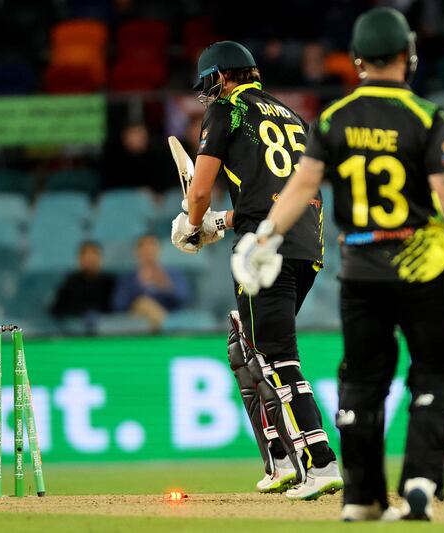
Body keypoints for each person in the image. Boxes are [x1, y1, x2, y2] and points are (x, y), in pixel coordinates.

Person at [230, 7, 444, 522]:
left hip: (360, 269)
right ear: (408, 56)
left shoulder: (335, 118)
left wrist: (264, 239)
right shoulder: (427, 116)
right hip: (422, 265)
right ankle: (421, 482)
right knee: (436, 372)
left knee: (361, 382)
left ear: (357, 60)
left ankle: (361, 496)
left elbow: (302, 187)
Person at [170, 40, 343, 500]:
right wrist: (217, 224)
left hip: (262, 251)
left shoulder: (227, 111)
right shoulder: (291, 116)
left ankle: (321, 464)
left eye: (209, 84)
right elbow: (268, 194)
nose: (207, 94)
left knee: (275, 357)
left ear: (221, 77)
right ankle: (282, 459)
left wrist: (192, 225)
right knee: (247, 347)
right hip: (306, 243)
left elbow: (201, 190)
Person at [112, 234, 191, 330]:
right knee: (143, 303)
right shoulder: (128, 278)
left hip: (168, 313)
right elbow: (119, 305)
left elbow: (183, 299)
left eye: (152, 247)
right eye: (144, 248)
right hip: (137, 316)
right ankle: (169, 331)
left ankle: (161, 326)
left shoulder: (173, 274)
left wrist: (165, 285)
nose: (148, 251)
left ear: (159, 250)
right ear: (137, 252)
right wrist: (139, 284)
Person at [51, 241, 116, 319]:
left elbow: (116, 309)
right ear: (79, 259)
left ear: (100, 258)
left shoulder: (110, 282)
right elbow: (56, 309)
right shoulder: (70, 283)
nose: (89, 259)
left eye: (94, 254)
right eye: (85, 255)